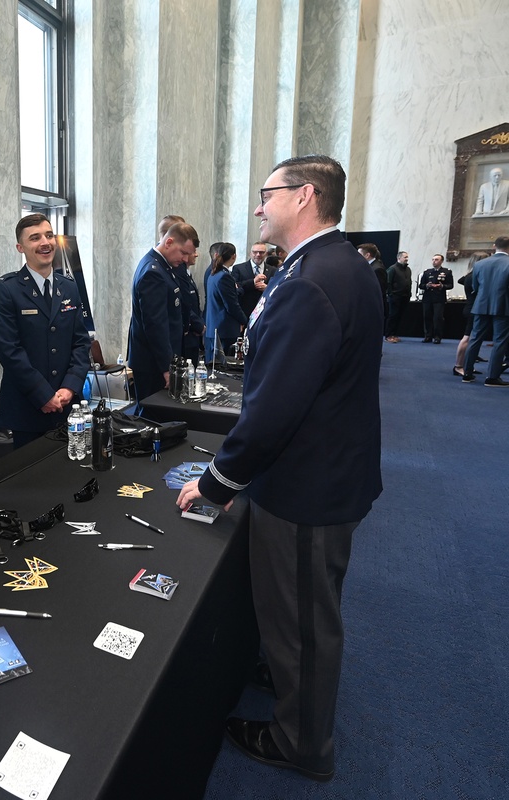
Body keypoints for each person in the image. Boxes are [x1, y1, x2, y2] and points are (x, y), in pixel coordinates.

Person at [177, 155, 383, 783]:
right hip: (330, 471)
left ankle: (301, 742)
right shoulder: (336, 265)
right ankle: (291, 680)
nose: (259, 206)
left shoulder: (309, 281)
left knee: (306, 622)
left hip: (306, 488)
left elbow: (271, 413)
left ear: (305, 196)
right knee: (307, 610)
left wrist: (214, 484)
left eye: (268, 193)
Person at [0, 214, 91, 448]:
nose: (45, 242)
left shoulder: (69, 287)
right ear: (20, 247)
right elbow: (8, 350)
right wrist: (42, 394)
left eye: (49, 235)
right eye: (35, 238)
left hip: (69, 408)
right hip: (28, 408)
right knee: (32, 480)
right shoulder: (7, 289)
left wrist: (70, 386)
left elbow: (81, 342)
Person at [126, 220, 199, 410]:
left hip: (160, 357)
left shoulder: (165, 267)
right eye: (183, 253)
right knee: (152, 415)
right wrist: (167, 368)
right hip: (153, 362)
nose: (185, 259)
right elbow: (155, 325)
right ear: (169, 243)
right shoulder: (154, 272)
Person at [462, 236, 509, 386]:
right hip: (503, 306)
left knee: (475, 339)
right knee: (499, 342)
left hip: (481, 305)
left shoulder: (480, 264)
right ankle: (492, 377)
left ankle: (467, 373)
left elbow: (475, 286)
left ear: (495, 246)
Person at [204, 242, 247, 367]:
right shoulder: (224, 276)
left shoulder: (214, 273)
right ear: (233, 256)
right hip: (224, 329)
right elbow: (231, 305)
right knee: (222, 366)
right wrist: (244, 320)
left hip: (216, 327)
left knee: (214, 364)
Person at [453, 251, 491, 376]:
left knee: (471, 338)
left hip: (472, 308)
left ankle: (466, 365)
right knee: (467, 338)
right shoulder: (474, 277)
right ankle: (458, 366)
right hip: (473, 309)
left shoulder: (470, 275)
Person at [172, 233, 206, 364]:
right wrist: (198, 325)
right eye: (193, 251)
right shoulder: (178, 273)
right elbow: (182, 302)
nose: (196, 255)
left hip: (192, 335)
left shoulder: (186, 273)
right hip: (187, 334)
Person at [418, 253, 453, 343]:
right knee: (427, 317)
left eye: (436, 259)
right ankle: (427, 336)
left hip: (439, 298)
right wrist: (427, 285)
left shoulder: (447, 272)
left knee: (438, 318)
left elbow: (450, 285)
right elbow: (421, 285)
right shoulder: (427, 272)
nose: (434, 261)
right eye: (433, 259)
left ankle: (437, 337)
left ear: (441, 261)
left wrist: (442, 286)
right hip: (427, 298)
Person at [231, 241, 270, 317]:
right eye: (255, 252)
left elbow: (277, 288)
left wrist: (267, 288)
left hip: (265, 313)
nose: (258, 255)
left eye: (261, 252)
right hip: (244, 311)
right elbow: (234, 287)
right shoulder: (238, 268)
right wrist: (253, 282)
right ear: (250, 253)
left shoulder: (273, 270)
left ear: (266, 254)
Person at [357, 243, 387, 331]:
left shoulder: (377, 269)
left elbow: (379, 290)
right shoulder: (370, 266)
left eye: (359, 254)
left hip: (372, 307)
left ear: (367, 255)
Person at [385, 250, 412, 342]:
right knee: (393, 316)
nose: (407, 259)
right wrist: (391, 294)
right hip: (395, 297)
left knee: (399, 316)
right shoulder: (392, 269)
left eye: (407, 257)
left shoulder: (408, 269)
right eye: (405, 257)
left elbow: (409, 282)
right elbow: (388, 282)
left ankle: (394, 334)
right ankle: (388, 335)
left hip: (404, 296)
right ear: (399, 258)